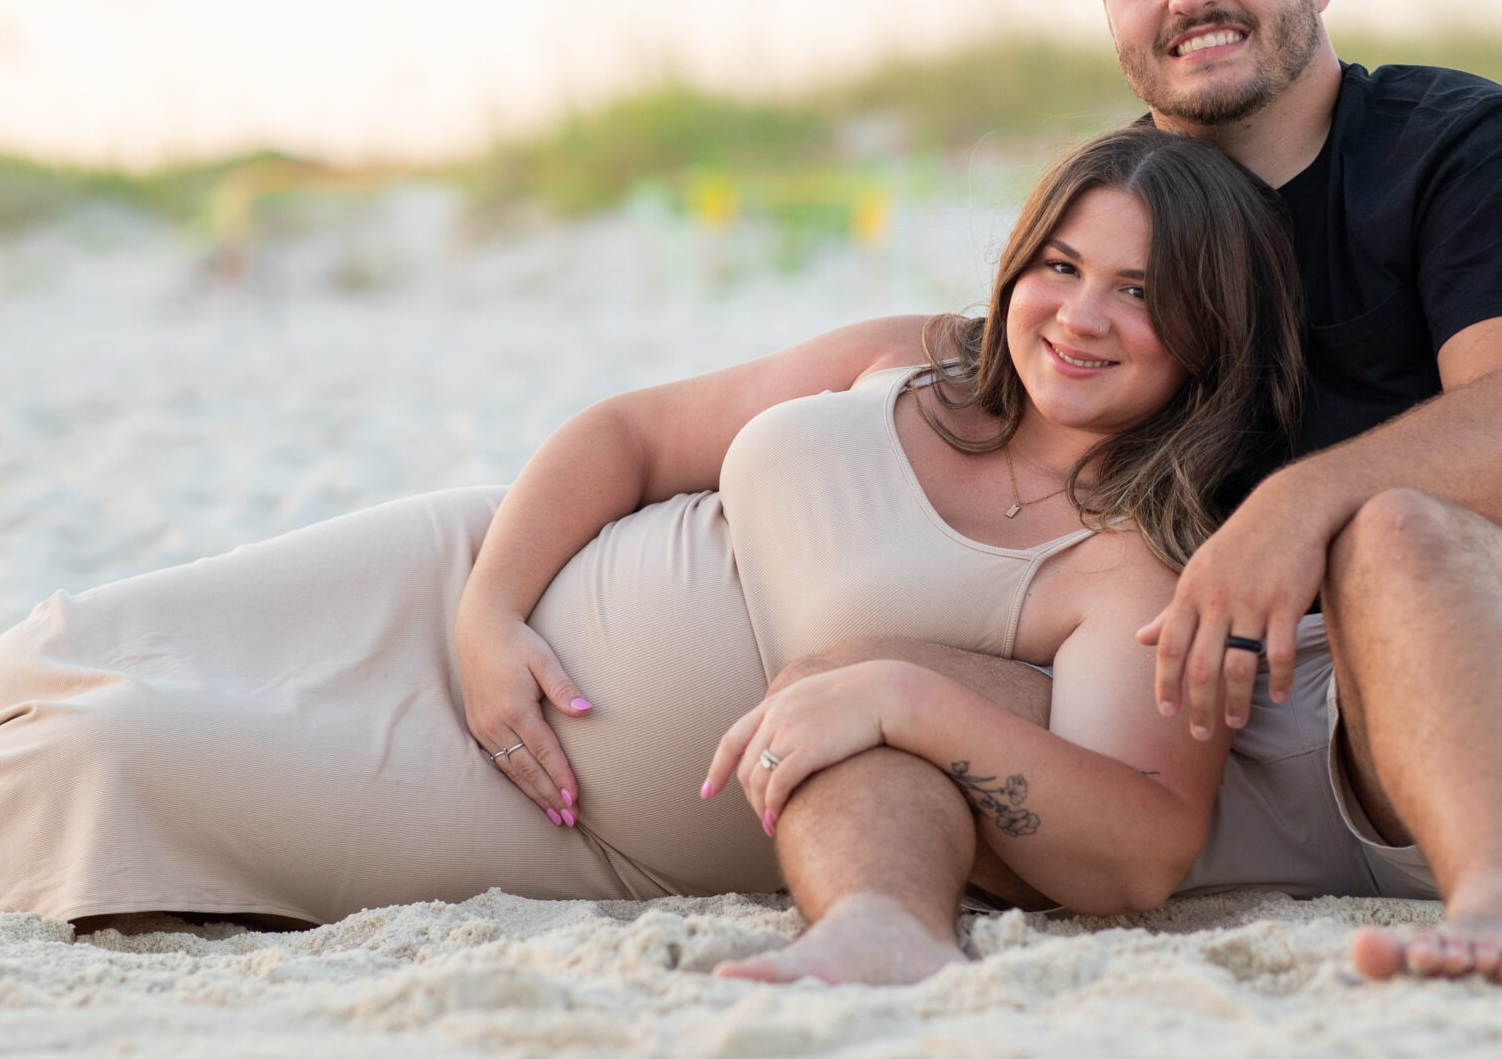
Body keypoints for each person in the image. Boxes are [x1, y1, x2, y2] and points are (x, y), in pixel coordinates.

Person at [730, 0, 1502, 992]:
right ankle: (881, 931)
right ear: (1111, 13)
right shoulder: (1120, 204)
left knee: (1386, 531)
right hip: (1223, 725)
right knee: (853, 682)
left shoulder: (1471, 148)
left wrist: (1293, 511)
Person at [0, 128, 1304, 952]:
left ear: (1211, 330)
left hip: (558, 810)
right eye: (1058, 265)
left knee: (120, 751)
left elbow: (1137, 850)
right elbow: (627, 434)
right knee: (81, 636)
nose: (1078, 316)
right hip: (473, 576)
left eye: (1140, 292)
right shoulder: (915, 361)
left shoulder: (1126, 561)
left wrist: (907, 697)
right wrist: (487, 612)